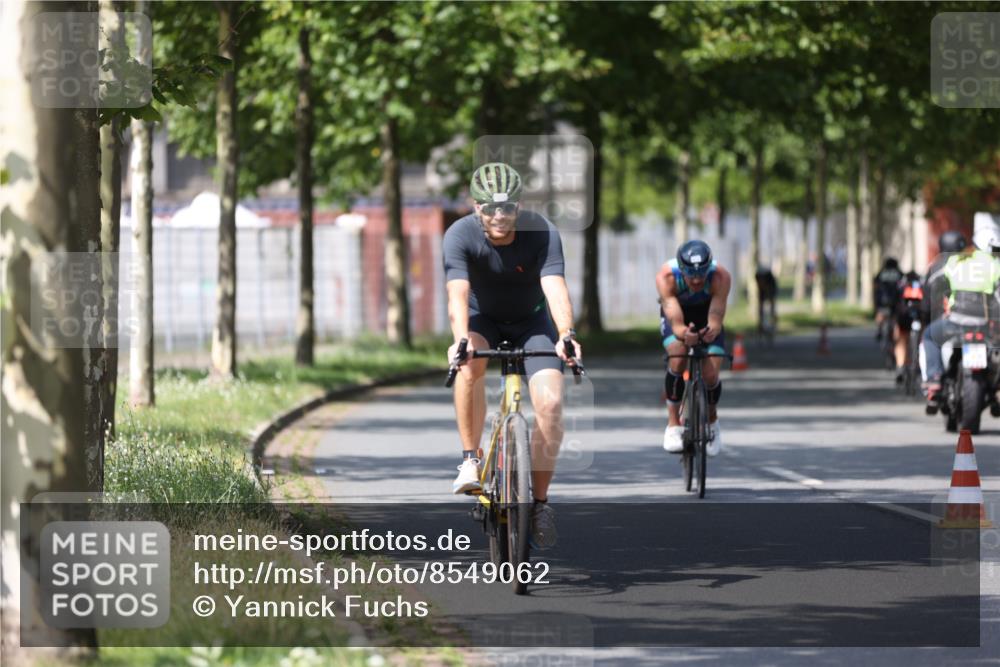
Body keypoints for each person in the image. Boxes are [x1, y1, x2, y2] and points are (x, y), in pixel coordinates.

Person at [443, 162, 581, 549]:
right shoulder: (459, 235)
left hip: (532, 323)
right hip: (481, 318)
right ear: (476, 207)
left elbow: (554, 286)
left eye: (507, 208)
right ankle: (471, 458)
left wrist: (567, 334)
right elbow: (456, 293)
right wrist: (459, 339)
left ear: (519, 207)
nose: (499, 216)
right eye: (490, 208)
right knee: (469, 361)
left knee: (551, 406)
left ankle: (538, 504)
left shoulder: (542, 233)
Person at [657, 240, 733, 456]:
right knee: (677, 357)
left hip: (707, 313)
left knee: (710, 374)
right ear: (682, 270)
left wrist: (711, 330)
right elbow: (676, 321)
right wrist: (684, 334)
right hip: (678, 314)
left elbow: (716, 317)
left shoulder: (721, 277)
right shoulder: (666, 277)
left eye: (701, 274)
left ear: (709, 268)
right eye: (691, 275)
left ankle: (712, 420)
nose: (697, 280)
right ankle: (673, 424)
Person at [922, 231, 1000, 412]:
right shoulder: (993, 265)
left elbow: (935, 284)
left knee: (929, 336)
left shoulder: (955, 262)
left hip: (956, 323)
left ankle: (934, 379)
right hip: (985, 324)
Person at [873, 257, 904, 347]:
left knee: (881, 314)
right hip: (896, 301)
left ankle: (878, 329)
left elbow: (876, 284)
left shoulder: (882, 273)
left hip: (883, 300)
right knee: (896, 319)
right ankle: (896, 337)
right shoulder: (898, 273)